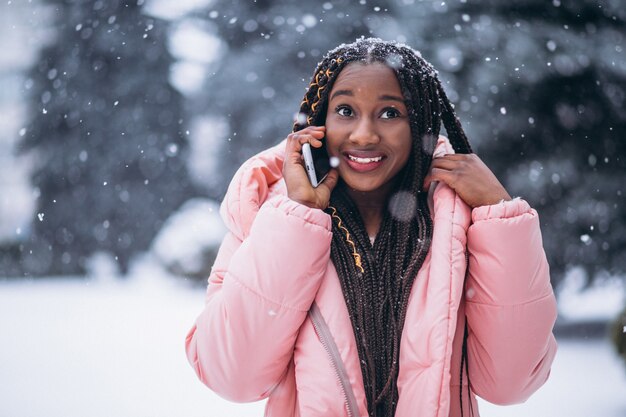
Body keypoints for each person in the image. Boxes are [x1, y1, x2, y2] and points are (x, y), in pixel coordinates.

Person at [185, 37, 557, 417]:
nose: (364, 135)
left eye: (390, 113)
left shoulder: (460, 224)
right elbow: (231, 376)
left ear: (420, 124)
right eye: (345, 110)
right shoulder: (266, 216)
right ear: (318, 121)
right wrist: (297, 217)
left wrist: (499, 212)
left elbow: (511, 383)